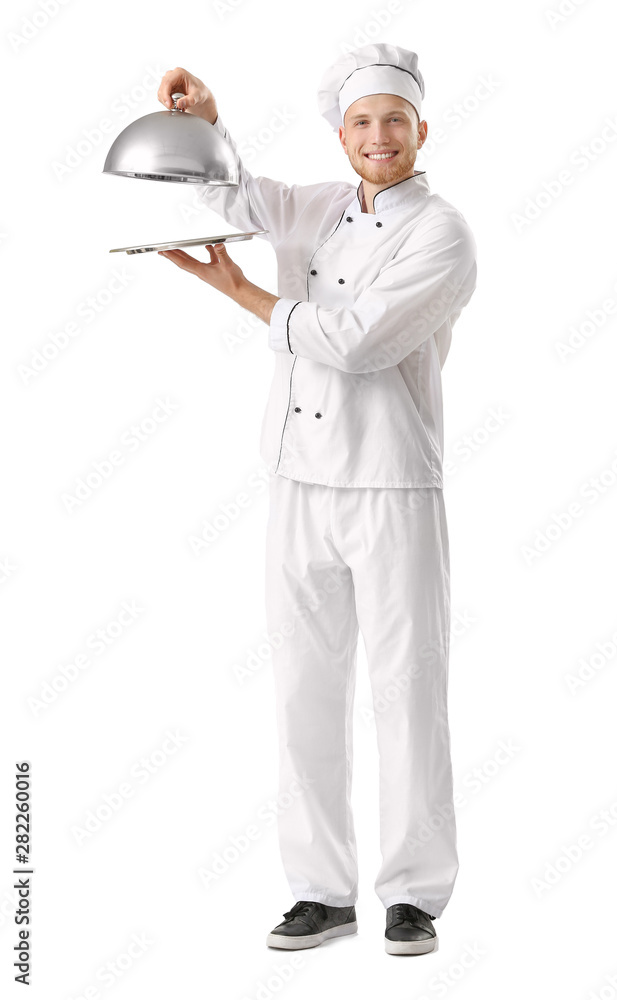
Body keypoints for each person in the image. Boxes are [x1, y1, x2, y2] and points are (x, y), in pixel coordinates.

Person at [156, 43, 477, 957]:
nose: (379, 137)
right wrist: (204, 122)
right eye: (363, 123)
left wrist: (241, 291)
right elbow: (232, 196)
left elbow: (355, 343)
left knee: (406, 690)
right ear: (343, 136)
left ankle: (413, 894)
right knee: (304, 689)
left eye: (395, 122)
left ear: (422, 130)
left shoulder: (442, 233)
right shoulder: (319, 206)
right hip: (297, 480)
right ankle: (320, 891)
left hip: (389, 484)